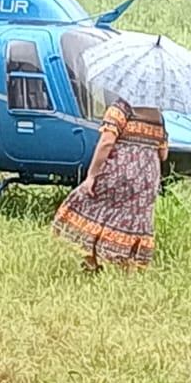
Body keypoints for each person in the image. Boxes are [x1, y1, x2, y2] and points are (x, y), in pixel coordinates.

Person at [52, 98, 167, 270]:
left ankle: (92, 260)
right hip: (148, 178)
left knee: (93, 205)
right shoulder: (158, 116)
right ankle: (127, 265)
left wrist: (91, 175)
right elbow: (163, 154)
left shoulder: (121, 108)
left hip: (120, 172)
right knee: (134, 219)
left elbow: (106, 142)